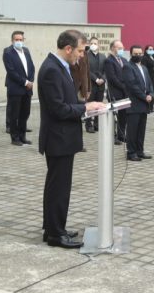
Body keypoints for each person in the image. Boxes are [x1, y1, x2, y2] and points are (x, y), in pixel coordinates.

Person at [38, 30, 105, 249]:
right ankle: (55, 235)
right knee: (58, 189)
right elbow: (58, 108)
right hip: (58, 139)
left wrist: (86, 107)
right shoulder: (51, 69)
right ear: (68, 49)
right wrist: (85, 108)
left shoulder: (61, 67)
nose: (82, 55)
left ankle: (53, 228)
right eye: (80, 51)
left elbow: (67, 102)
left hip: (63, 138)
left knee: (58, 187)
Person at [3, 30, 35, 146]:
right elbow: (11, 71)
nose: (19, 42)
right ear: (12, 40)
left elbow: (31, 67)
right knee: (14, 115)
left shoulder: (26, 51)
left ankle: (22, 136)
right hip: (16, 88)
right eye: (16, 40)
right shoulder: (8, 52)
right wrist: (25, 82)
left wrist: (31, 80)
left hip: (27, 89)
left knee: (24, 114)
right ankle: (15, 138)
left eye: (21, 40)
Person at [123, 45, 154, 161]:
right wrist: (144, 96)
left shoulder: (144, 68)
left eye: (140, 53)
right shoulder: (128, 67)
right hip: (134, 103)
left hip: (144, 104)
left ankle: (140, 151)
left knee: (141, 130)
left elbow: (149, 83)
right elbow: (132, 86)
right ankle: (131, 153)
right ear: (131, 54)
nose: (138, 56)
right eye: (135, 54)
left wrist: (151, 94)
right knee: (132, 130)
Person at [104, 40, 128, 143]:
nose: (121, 50)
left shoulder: (124, 60)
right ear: (113, 48)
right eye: (119, 48)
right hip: (115, 92)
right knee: (113, 115)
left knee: (123, 115)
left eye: (122, 48)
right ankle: (113, 136)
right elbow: (112, 78)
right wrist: (123, 87)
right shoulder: (109, 61)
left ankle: (121, 135)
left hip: (124, 93)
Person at [85, 37, 107, 133]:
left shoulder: (103, 56)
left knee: (99, 104)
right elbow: (86, 70)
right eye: (92, 43)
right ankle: (88, 125)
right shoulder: (85, 56)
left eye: (95, 43)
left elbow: (106, 70)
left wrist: (103, 79)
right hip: (90, 84)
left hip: (101, 85)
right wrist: (96, 79)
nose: (93, 45)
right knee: (90, 105)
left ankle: (97, 124)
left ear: (99, 45)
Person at [141, 44, 154, 113]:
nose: (151, 50)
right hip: (149, 77)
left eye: (152, 49)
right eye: (150, 49)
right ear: (146, 50)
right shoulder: (144, 58)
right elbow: (144, 68)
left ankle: (151, 107)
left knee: (153, 92)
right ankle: (148, 107)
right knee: (148, 92)